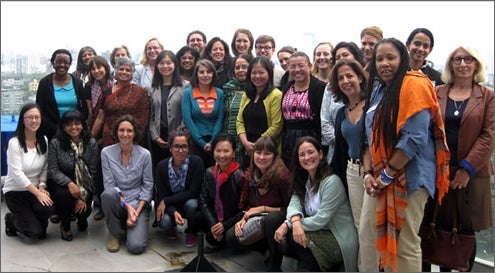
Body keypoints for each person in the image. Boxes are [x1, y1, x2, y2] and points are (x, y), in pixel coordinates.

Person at [361, 38, 450, 272]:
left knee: (405, 243)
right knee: (377, 232)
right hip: (380, 177)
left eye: (391, 57)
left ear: (402, 59)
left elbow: (414, 138)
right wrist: (369, 173)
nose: (384, 64)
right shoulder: (379, 88)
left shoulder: (414, 84)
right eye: (379, 59)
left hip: (409, 177)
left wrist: (387, 176)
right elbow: (370, 136)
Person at [423, 46, 494, 272]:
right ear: (450, 65)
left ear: (476, 64)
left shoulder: (487, 96)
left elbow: (488, 135)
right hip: (438, 170)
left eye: (468, 59)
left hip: (471, 175)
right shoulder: (437, 92)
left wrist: (467, 168)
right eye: (457, 59)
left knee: (464, 231)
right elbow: (427, 128)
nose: (462, 64)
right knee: (436, 225)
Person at [274, 136, 358, 271]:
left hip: (338, 237)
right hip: (317, 233)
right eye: (302, 154)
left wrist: (288, 224)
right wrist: (294, 222)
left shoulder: (332, 182)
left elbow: (321, 219)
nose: (307, 157)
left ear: (320, 154)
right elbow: (294, 203)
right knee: (286, 240)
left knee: (295, 237)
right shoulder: (304, 180)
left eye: (310, 152)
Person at [328, 59, 378, 271]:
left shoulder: (374, 105)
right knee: (359, 225)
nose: (346, 81)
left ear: (360, 77)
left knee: (370, 227)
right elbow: (340, 148)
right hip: (352, 170)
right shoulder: (341, 111)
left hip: (373, 173)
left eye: (350, 76)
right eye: (340, 78)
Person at [225, 136, 292, 272]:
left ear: (274, 156)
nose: (261, 157)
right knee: (231, 237)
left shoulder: (282, 177)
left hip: (282, 224)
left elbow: (291, 209)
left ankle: (275, 264)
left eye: (267, 153)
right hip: (259, 220)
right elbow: (249, 205)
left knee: (273, 219)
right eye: (258, 152)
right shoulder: (252, 175)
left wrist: (263, 208)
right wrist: (244, 219)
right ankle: (265, 248)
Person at [100, 115, 153, 254]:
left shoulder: (145, 154)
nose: (125, 134)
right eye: (121, 130)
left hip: (138, 202)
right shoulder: (106, 153)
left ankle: (130, 224)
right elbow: (109, 185)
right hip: (119, 200)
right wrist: (128, 208)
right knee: (108, 195)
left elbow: (148, 185)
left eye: (129, 131)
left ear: (135, 133)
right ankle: (114, 232)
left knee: (136, 247)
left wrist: (136, 211)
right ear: (116, 132)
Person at [3, 103, 55, 240]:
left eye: (37, 117)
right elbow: (17, 173)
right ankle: (11, 220)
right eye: (29, 117)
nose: (34, 121)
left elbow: (45, 166)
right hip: (16, 191)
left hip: (35, 188)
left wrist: (42, 185)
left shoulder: (43, 140)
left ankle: (31, 216)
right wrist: (38, 193)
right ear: (22, 120)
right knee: (34, 233)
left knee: (48, 210)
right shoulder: (15, 143)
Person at [47, 109, 100, 241]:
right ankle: (65, 226)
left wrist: (82, 197)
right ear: (63, 127)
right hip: (62, 181)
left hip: (85, 181)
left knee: (84, 210)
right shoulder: (56, 143)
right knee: (64, 197)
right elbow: (53, 170)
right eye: (69, 124)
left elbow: (93, 171)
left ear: (83, 125)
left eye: (77, 123)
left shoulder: (91, 143)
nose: (74, 127)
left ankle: (81, 219)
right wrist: (69, 184)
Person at [154, 127, 205, 248]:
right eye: (176, 146)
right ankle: (171, 226)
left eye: (184, 146)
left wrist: (166, 201)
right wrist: (172, 211)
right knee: (165, 222)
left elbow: (193, 192)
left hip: (188, 202)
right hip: (170, 206)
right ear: (170, 148)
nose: (180, 150)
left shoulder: (196, 162)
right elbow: (162, 194)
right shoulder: (162, 166)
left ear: (189, 148)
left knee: (192, 205)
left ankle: (191, 231)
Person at [91, 57, 150, 148]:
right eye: (121, 69)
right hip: (110, 138)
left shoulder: (139, 92)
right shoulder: (107, 93)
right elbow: (100, 117)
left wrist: (134, 136)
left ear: (132, 74)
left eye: (128, 70)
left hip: (132, 138)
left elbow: (144, 117)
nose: (124, 72)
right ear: (116, 71)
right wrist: (91, 138)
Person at [198, 133, 243, 251]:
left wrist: (224, 225)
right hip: (216, 218)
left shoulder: (240, 176)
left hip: (233, 221)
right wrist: (214, 224)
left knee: (230, 237)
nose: (222, 155)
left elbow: (244, 208)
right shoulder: (209, 173)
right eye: (218, 151)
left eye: (226, 151)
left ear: (233, 153)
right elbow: (203, 201)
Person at [236, 56, 283, 170]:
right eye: (254, 73)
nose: (257, 76)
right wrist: (246, 143)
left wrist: (257, 147)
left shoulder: (276, 95)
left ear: (269, 73)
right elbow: (239, 121)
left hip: (267, 150)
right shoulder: (246, 95)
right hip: (247, 149)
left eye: (261, 73)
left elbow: (276, 126)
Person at [281, 51, 326, 166]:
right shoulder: (286, 87)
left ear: (310, 67)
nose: (297, 70)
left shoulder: (320, 88)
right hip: (289, 140)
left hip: (311, 137)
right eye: (293, 66)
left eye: (301, 66)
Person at [148, 50, 190, 169]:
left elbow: (187, 113)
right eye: (161, 63)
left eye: (169, 63)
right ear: (157, 66)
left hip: (180, 136)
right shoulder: (152, 88)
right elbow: (150, 115)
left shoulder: (185, 86)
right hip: (158, 137)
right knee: (160, 168)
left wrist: (178, 134)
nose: (165, 66)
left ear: (175, 65)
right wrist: (155, 137)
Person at [36, 49, 88, 141]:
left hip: (75, 131)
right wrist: (57, 130)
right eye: (59, 62)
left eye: (66, 62)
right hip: (51, 132)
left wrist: (75, 127)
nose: (62, 65)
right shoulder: (45, 83)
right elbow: (40, 109)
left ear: (70, 64)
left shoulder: (77, 83)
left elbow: (83, 109)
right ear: (53, 63)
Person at [181, 59, 224, 169]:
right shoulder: (188, 93)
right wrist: (202, 142)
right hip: (194, 141)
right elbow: (188, 120)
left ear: (213, 74)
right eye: (201, 72)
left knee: (214, 174)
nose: (205, 75)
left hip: (215, 141)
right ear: (196, 74)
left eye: (209, 72)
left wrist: (212, 141)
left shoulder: (220, 93)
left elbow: (220, 119)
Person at [222, 54, 253, 165]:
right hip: (229, 139)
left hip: (249, 141)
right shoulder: (227, 89)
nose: (240, 70)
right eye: (237, 67)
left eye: (244, 67)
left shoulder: (257, 89)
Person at [85, 56, 114, 130]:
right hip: (95, 121)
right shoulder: (89, 86)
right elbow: (90, 109)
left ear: (106, 68)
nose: (96, 71)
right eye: (93, 69)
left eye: (99, 67)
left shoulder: (115, 84)